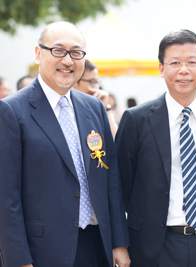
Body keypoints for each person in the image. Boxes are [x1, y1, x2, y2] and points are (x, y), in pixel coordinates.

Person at [0, 21, 130, 267]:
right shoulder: (11, 111)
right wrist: (19, 260)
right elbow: (6, 196)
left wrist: (119, 242)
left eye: (76, 52)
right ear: (39, 54)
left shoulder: (95, 108)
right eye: (58, 50)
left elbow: (110, 180)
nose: (68, 60)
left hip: (97, 245)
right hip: (43, 251)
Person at [115, 29, 196, 267]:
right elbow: (120, 186)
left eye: (192, 62)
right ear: (161, 69)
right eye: (175, 62)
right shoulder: (136, 120)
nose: (184, 70)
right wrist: (119, 242)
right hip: (154, 244)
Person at [74, 59, 118, 137]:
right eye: (92, 82)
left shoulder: (96, 108)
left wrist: (106, 108)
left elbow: (115, 140)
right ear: (74, 81)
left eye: (97, 82)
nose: (97, 87)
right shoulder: (68, 110)